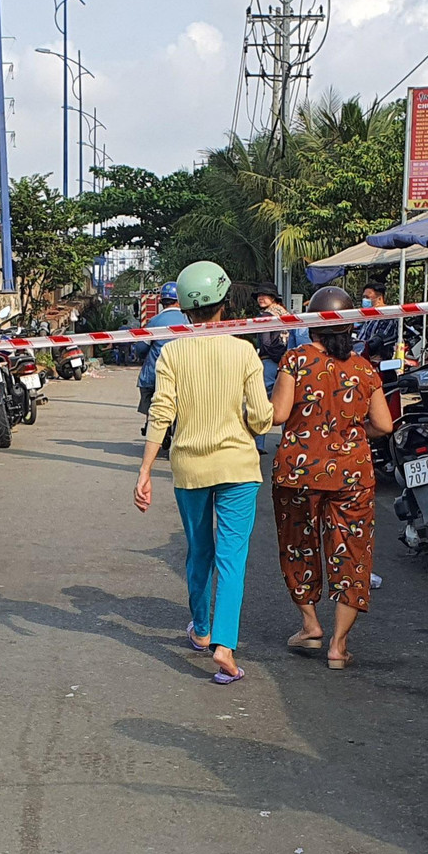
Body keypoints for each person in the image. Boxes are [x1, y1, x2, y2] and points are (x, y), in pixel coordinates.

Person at [133, 261, 273, 684]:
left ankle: (202, 627)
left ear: (186, 310)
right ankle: (225, 646)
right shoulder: (244, 351)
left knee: (200, 550)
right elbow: (262, 419)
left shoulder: (173, 351)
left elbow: (161, 413)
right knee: (233, 558)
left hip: (189, 469)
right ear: (225, 304)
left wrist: (144, 469)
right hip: (239, 468)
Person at [270, 287, 393, 670]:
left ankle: (310, 624)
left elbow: (277, 415)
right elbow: (384, 425)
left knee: (298, 546)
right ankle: (338, 646)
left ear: (313, 326)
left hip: (298, 473)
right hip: (352, 474)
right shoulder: (364, 369)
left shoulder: (295, 361)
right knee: (352, 554)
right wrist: (352, 430)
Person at [134, 282, 188, 436]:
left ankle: (151, 428)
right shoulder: (189, 321)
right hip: (183, 376)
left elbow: (141, 349)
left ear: (162, 302)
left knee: (151, 406)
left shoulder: (154, 322)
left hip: (154, 376)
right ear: (179, 300)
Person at [253, 284, 290, 452]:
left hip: (269, 362)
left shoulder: (266, 316)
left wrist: (275, 357)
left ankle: (258, 444)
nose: (261, 297)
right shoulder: (285, 314)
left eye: (265, 295)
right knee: (287, 401)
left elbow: (266, 343)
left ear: (273, 298)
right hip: (287, 362)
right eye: (260, 295)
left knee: (262, 402)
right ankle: (287, 441)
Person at [354, 279, 398, 363]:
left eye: (367, 297)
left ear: (379, 299)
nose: (364, 300)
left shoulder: (388, 317)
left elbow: (377, 342)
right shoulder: (370, 316)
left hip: (375, 361)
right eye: (363, 297)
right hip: (360, 356)